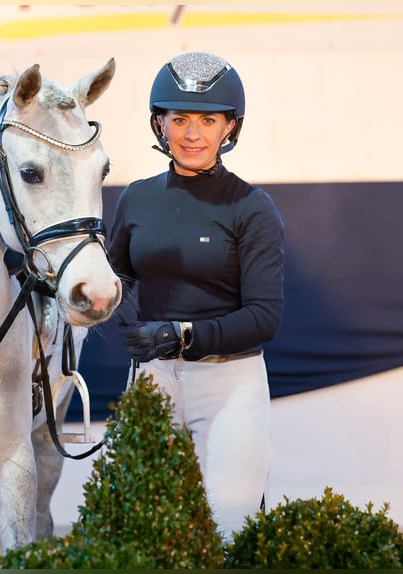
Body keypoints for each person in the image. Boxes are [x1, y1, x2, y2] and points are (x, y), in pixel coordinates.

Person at [107, 51, 285, 543]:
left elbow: (265, 316)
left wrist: (182, 335)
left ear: (229, 127)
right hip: (153, 380)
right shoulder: (136, 198)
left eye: (208, 120)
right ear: (159, 123)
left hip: (230, 382)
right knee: (143, 533)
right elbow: (116, 281)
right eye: (179, 118)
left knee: (229, 531)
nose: (191, 134)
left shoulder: (252, 207)